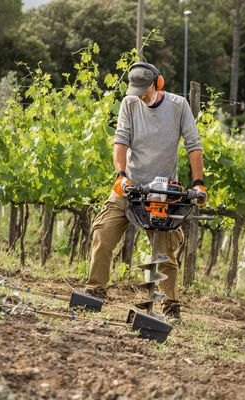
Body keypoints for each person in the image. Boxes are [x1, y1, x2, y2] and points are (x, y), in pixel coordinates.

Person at [84, 62, 206, 323]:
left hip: (162, 191)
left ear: (158, 84)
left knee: (165, 251)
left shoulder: (178, 106)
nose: (141, 95)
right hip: (131, 187)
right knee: (103, 232)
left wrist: (198, 183)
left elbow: (193, 145)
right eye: (136, 89)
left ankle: (170, 307)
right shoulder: (129, 104)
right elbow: (121, 140)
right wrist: (121, 176)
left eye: (145, 89)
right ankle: (95, 291)